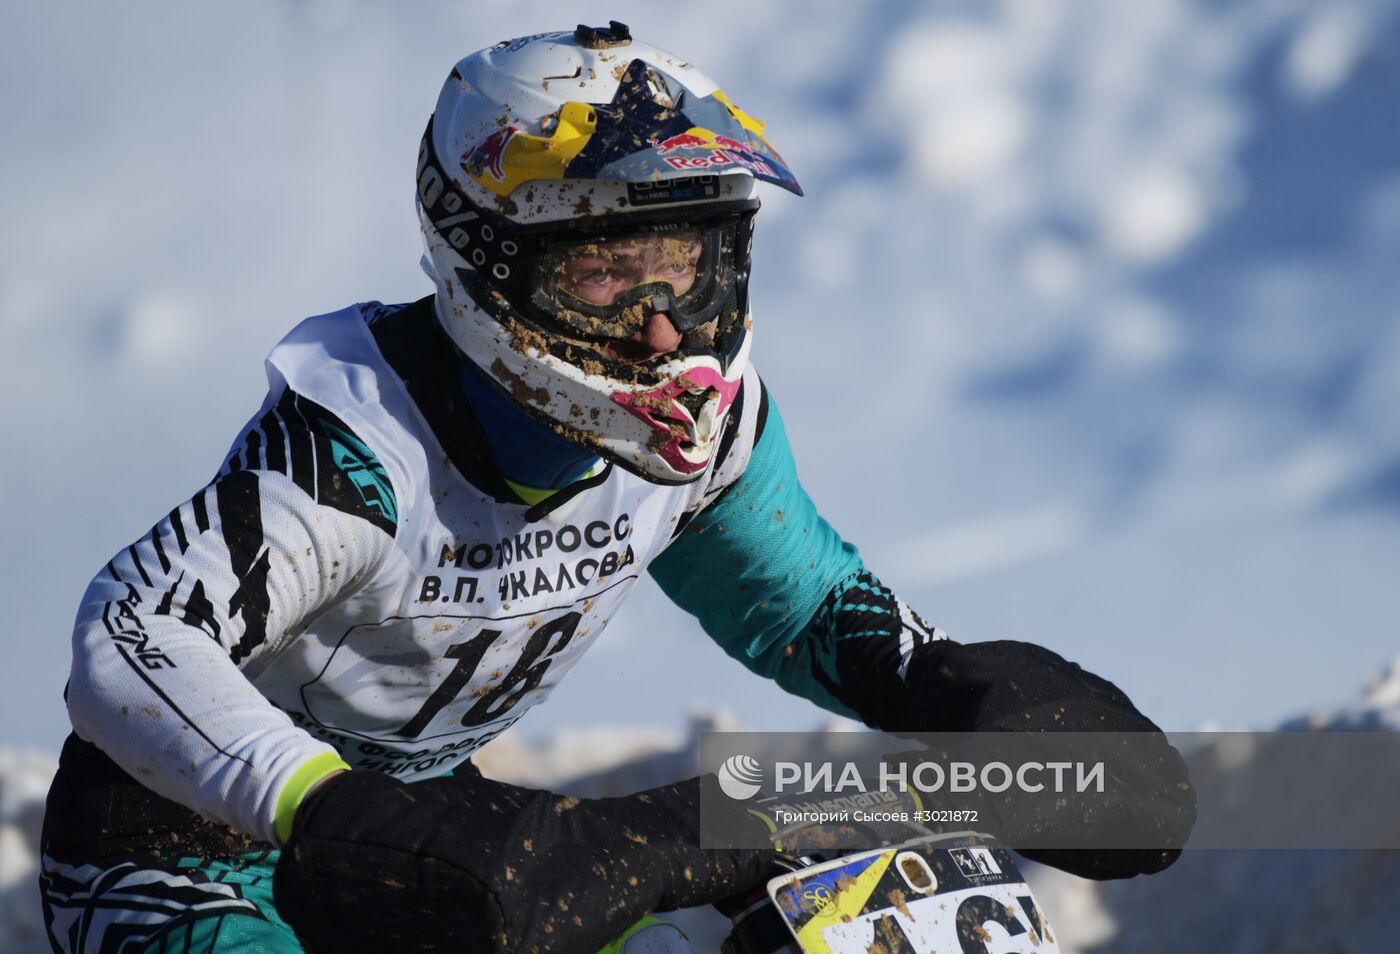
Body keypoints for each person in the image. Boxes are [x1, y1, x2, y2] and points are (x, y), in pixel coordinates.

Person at [39, 22, 1192, 954]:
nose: (658, 326)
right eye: (600, 272)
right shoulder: (361, 442)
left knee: (892, 914)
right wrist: (327, 808)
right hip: (180, 852)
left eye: (684, 265)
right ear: (484, 260)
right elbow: (133, 629)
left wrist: (952, 692)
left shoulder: (706, 427)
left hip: (440, 836)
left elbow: (793, 605)